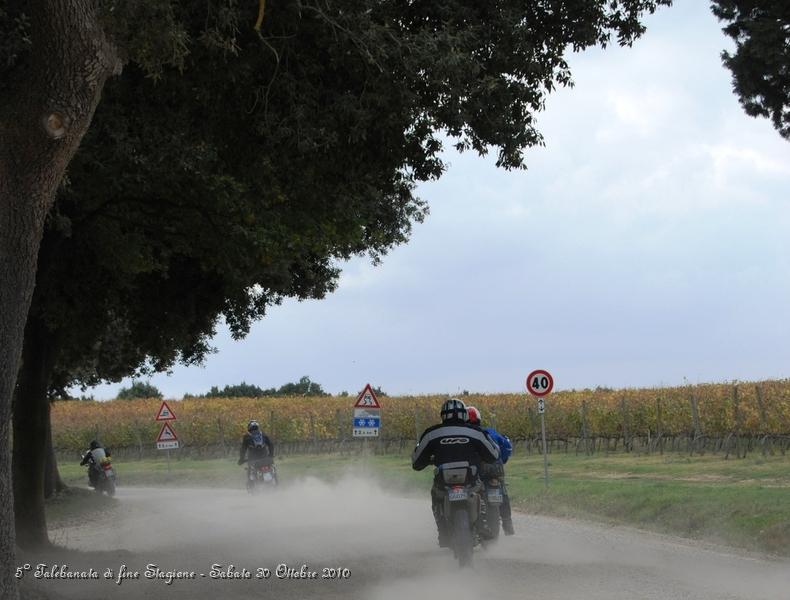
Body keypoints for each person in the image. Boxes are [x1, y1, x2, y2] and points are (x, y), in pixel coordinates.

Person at [411, 398, 500, 547]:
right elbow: (493, 455)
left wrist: (426, 461)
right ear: (463, 415)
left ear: (442, 415)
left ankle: (442, 531)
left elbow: (416, 460)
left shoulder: (431, 433)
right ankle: (483, 523)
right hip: (470, 479)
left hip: (443, 481)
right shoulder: (476, 432)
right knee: (481, 489)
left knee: (436, 496)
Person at [467, 406, 515, 535]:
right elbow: (506, 448)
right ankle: (507, 522)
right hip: (494, 469)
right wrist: (502, 460)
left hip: (475, 472)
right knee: (500, 489)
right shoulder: (491, 432)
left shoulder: (464, 435)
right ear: (479, 419)